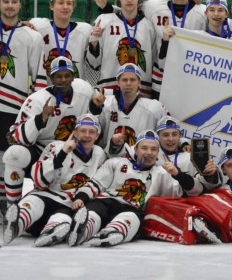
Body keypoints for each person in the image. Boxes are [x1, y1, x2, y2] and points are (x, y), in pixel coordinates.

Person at [66, 129, 204, 247]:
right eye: (144, 148)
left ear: (158, 153)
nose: (149, 152)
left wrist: (178, 175)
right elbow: (95, 184)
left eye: (154, 149)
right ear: (135, 149)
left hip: (133, 208)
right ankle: (82, 231)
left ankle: (111, 233)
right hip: (106, 201)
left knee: (133, 218)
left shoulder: (162, 173)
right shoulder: (116, 162)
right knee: (94, 211)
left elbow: (195, 191)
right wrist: (81, 197)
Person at [2, 56, 98, 204]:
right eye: (58, 76)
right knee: (15, 154)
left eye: (67, 75)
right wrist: (41, 118)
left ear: (73, 77)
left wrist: (97, 106)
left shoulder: (84, 88)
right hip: (42, 149)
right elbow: (16, 137)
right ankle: (12, 206)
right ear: (51, 78)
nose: (63, 80)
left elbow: (96, 103)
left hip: (74, 148)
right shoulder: (37, 100)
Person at [3, 114, 106, 246]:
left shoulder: (99, 154)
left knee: (63, 218)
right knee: (33, 202)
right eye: (82, 131)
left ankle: (51, 232)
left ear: (97, 136)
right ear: (75, 132)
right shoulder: (56, 146)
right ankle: (17, 223)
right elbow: (38, 181)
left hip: (69, 204)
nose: (87, 135)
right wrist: (62, 154)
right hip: (44, 197)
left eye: (92, 132)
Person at [0, 0, 47, 217]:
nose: (9, 6)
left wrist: (32, 111)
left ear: (20, 3)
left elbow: (38, 75)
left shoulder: (31, 36)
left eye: (14, 1)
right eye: (5, 1)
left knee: (6, 156)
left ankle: (7, 205)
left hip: (12, 106)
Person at [87, 0, 157, 98]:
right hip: (109, 93)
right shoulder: (104, 21)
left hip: (141, 93)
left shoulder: (149, 26)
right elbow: (94, 64)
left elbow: (154, 61)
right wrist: (94, 41)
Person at [89, 63, 168, 158]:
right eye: (124, 80)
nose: (128, 83)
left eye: (133, 80)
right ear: (118, 82)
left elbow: (169, 129)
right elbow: (91, 128)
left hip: (143, 162)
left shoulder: (154, 107)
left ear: (139, 82)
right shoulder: (106, 104)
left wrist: (184, 143)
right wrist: (95, 106)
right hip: (111, 159)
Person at [29, 0, 93, 84]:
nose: (65, 7)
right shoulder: (38, 26)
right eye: (61, 2)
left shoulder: (85, 31)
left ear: (73, 7)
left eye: (69, 3)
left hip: (75, 92)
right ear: (51, 5)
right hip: (46, 91)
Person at [156, 116, 222, 191]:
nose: (171, 139)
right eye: (166, 135)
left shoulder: (191, 155)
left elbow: (208, 187)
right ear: (158, 136)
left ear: (179, 136)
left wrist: (210, 175)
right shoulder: (153, 155)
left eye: (174, 134)